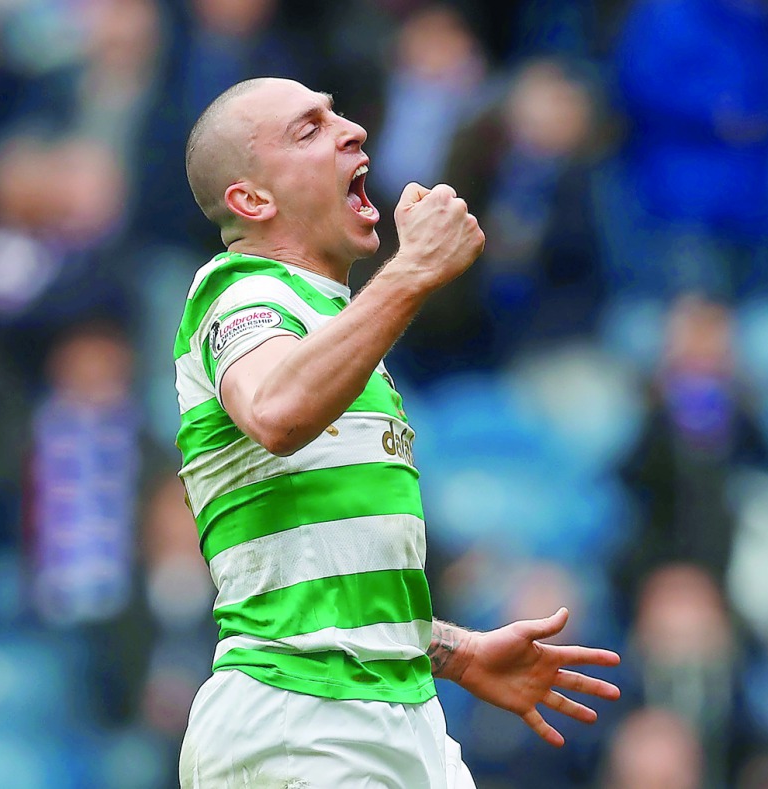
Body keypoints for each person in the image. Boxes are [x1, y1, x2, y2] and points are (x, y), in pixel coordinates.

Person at [173, 77, 621, 788]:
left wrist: (451, 649)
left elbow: (324, 576)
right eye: (308, 129)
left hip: (399, 712)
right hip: (302, 713)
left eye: (338, 113)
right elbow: (277, 413)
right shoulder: (241, 291)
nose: (351, 130)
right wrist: (412, 270)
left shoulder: (341, 335)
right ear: (252, 200)